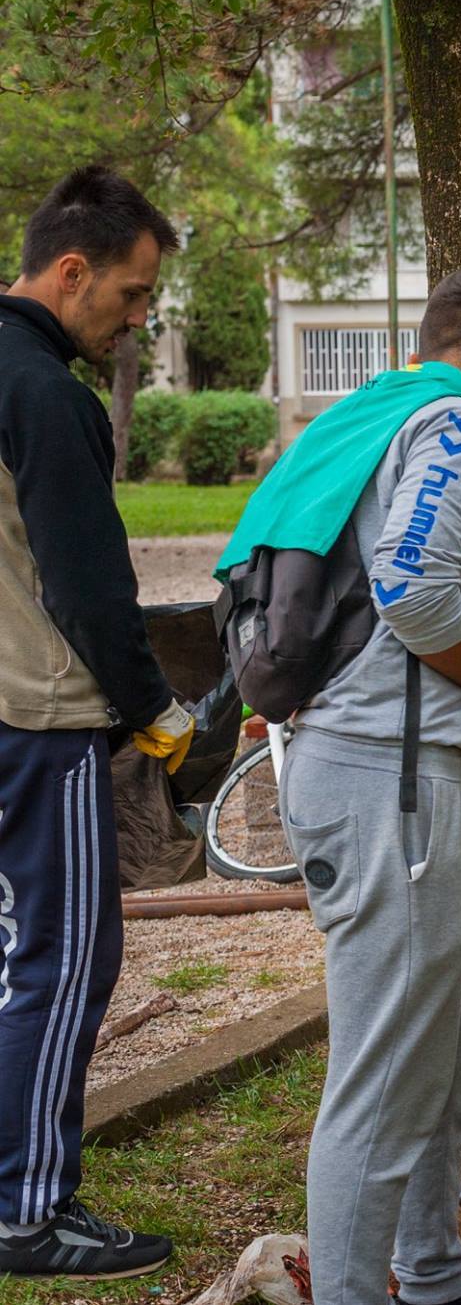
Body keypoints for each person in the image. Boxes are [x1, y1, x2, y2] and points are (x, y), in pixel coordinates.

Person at [243, 265, 461, 1305]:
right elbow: (411, 589)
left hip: (369, 772)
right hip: (384, 783)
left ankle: (431, 1275)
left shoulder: (363, 418)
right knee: (386, 1080)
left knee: (449, 1053)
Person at [0, 166, 193, 1278]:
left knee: (19, 953)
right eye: (128, 295)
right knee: (66, 961)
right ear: (70, 273)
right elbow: (87, 585)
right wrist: (152, 709)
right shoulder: (44, 393)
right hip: (40, 718)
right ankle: (27, 1213)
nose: (135, 320)